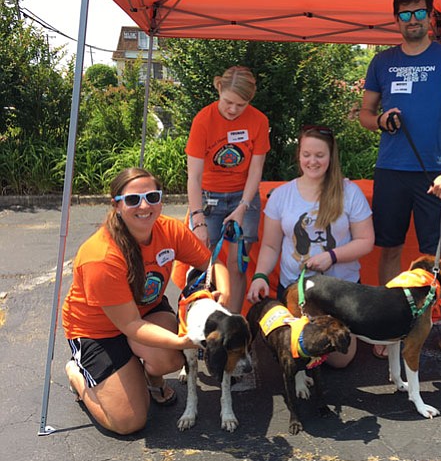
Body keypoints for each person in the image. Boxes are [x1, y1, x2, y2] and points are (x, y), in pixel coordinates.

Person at [358, 0, 441, 368]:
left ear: (430, 16)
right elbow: (363, 115)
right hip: (391, 171)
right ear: (397, 20)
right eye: (405, 15)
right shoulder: (382, 62)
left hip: (435, 175)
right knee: (389, 249)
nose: (412, 20)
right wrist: (379, 121)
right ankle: (387, 326)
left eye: (419, 13)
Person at [62, 168, 214, 435]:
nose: (144, 205)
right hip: (98, 332)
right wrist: (182, 341)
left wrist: (220, 291)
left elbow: (209, 264)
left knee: (169, 360)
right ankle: (77, 373)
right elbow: (131, 325)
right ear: (117, 205)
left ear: (161, 200)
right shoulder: (100, 255)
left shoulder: (169, 229)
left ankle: (152, 382)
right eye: (133, 199)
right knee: (128, 422)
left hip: (146, 311)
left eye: (152, 196)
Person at [247, 126, 375, 368]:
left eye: (320, 155)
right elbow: (271, 246)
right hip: (297, 289)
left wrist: (332, 257)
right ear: (299, 155)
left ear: (331, 156)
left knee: (340, 360)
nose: (312, 161)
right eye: (307, 154)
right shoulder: (281, 195)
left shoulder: (349, 192)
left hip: (339, 290)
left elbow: (366, 240)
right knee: (298, 354)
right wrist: (260, 276)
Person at [186, 66, 270, 314]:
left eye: (241, 105)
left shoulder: (258, 121)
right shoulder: (204, 119)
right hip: (209, 198)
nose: (233, 110)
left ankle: (233, 321)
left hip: (244, 196)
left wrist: (243, 206)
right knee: (207, 263)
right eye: (228, 102)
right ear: (219, 89)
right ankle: (209, 323)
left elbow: (256, 170)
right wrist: (197, 218)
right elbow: (194, 176)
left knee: (237, 265)